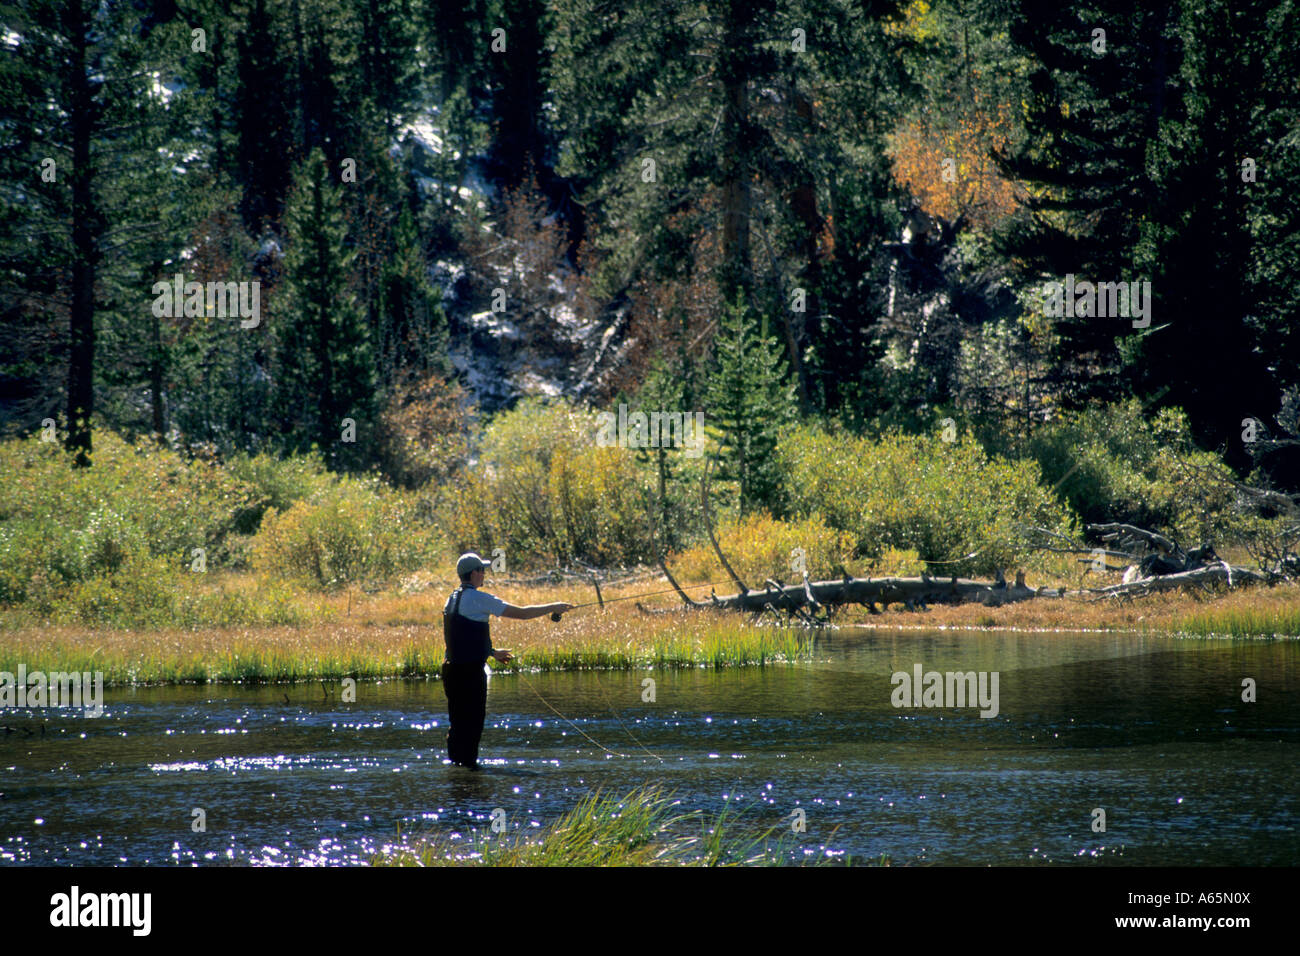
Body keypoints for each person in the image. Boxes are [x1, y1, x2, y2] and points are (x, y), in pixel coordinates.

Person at [441, 552, 572, 769]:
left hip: (451, 671)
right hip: (470, 673)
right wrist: (553, 606)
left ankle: (457, 771)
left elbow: (461, 634)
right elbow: (521, 613)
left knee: (458, 724)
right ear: (474, 573)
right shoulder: (479, 598)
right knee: (473, 724)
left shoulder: (452, 598)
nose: (484, 574)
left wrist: (491, 652)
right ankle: (469, 771)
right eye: (482, 570)